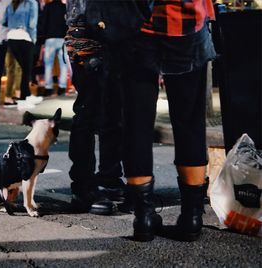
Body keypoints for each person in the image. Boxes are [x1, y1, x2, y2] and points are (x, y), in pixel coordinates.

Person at [104, 0, 216, 241]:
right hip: (187, 26)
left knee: (136, 123)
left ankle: (143, 217)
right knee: (190, 123)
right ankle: (191, 218)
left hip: (138, 27)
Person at [65, 0, 126, 215]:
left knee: (112, 111)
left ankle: (108, 180)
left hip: (112, 31)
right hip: (88, 33)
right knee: (89, 111)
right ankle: (84, 186)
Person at [0, 0, 43, 107]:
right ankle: (25, 98)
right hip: (24, 37)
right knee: (26, 70)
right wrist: (33, 39)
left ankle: (25, 95)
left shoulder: (11, 4)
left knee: (22, 69)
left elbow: (3, 21)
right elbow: (33, 24)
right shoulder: (31, 2)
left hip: (11, 37)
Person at [0, 0, 22, 107]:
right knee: (13, 68)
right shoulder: (9, 3)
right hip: (7, 39)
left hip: (0, 39)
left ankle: (12, 95)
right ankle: (9, 97)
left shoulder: (1, 4)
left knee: (8, 69)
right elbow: (5, 21)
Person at [40, 0, 68, 97]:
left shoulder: (48, 7)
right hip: (63, 38)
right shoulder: (65, 7)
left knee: (48, 65)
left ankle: (48, 88)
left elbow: (43, 23)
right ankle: (62, 87)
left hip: (50, 38)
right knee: (63, 65)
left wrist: (42, 39)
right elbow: (68, 23)